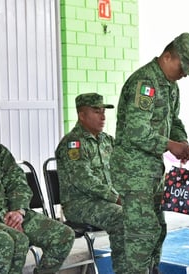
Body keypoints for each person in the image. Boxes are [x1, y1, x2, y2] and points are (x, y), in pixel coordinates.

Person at [110, 32, 189, 274]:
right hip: (133, 172)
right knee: (141, 234)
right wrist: (170, 145)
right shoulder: (145, 83)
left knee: (157, 229)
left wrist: (181, 139)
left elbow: (173, 119)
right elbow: (137, 131)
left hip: (151, 172)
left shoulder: (170, 86)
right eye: (182, 67)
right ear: (168, 56)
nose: (184, 74)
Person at [55, 93, 128, 273]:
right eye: (97, 112)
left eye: (103, 112)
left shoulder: (107, 140)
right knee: (122, 216)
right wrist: (116, 197)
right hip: (80, 204)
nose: (103, 117)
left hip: (105, 202)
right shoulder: (73, 144)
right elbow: (84, 179)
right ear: (82, 115)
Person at [0, 142, 75, 274]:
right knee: (13, 240)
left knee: (63, 235)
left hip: (8, 212)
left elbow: (18, 184)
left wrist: (18, 211)